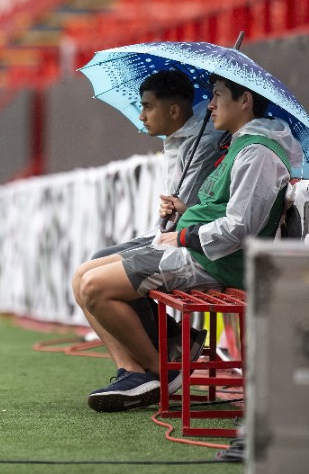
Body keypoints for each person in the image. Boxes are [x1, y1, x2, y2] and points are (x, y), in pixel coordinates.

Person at [72, 73, 302, 412]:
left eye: (218, 95)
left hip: (212, 260)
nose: (209, 104)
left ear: (245, 101)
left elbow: (239, 229)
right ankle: (132, 372)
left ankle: (160, 371)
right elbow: (221, 209)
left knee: (93, 287)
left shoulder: (257, 153)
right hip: (194, 249)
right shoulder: (240, 143)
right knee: (81, 278)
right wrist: (186, 211)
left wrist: (182, 235)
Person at [90, 70, 225, 361]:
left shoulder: (206, 141)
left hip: (192, 248)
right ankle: (165, 345)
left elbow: (203, 216)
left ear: (174, 109)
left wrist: (181, 209)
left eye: (148, 106)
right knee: (96, 263)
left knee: (98, 277)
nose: (141, 116)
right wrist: (172, 208)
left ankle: (162, 357)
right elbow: (183, 205)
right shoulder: (180, 138)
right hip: (172, 236)